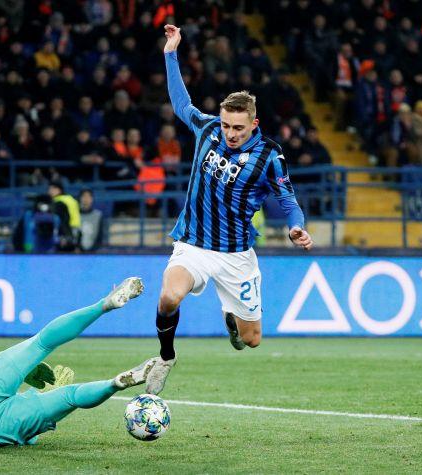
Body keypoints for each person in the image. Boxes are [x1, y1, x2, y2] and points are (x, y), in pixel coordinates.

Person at [146, 25, 314, 395]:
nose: (229, 133)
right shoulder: (207, 130)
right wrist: (170, 53)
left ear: (254, 123)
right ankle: (165, 358)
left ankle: (233, 322)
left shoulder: (269, 155)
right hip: (192, 245)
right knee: (169, 296)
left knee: (252, 341)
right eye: (225, 125)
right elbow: (180, 104)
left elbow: (287, 198)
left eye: (237, 127)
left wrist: (295, 226)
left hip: (236, 255)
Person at [0, 277, 154, 448]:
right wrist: (22, 370)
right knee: (41, 343)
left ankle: (114, 384)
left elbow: (29, 436)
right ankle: (104, 304)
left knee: (68, 396)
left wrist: (41, 396)